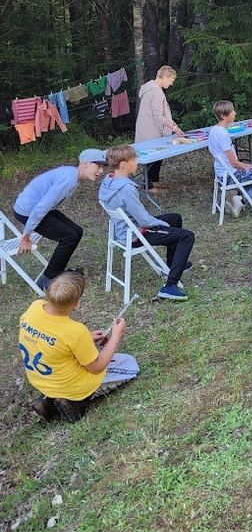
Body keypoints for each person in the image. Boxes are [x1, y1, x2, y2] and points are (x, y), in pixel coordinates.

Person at [18, 271, 138, 423]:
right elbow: (97, 367)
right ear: (77, 302)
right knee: (131, 365)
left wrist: (86, 339)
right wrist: (116, 336)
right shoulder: (75, 330)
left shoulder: (35, 307)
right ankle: (74, 402)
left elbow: (52, 340)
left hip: (41, 379)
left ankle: (48, 398)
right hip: (70, 385)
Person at [99, 145, 195, 301]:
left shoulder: (108, 181)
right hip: (136, 235)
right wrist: (160, 224)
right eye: (134, 159)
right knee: (187, 237)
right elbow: (144, 220)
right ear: (124, 164)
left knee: (175, 218)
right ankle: (170, 286)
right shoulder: (126, 188)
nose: (137, 162)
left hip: (123, 229)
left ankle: (172, 264)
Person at [13, 149, 109, 291]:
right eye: (99, 166)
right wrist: (26, 236)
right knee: (69, 237)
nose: (101, 171)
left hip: (41, 209)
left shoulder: (72, 174)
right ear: (86, 164)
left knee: (77, 231)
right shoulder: (68, 179)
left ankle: (55, 273)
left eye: (102, 167)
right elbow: (40, 209)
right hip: (27, 212)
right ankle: (46, 281)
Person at [208, 100, 252, 217]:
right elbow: (234, 163)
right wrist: (247, 166)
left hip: (221, 173)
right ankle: (241, 201)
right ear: (223, 115)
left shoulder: (214, 130)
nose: (235, 113)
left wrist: (247, 167)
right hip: (229, 176)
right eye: (232, 111)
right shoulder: (223, 134)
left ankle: (235, 197)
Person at [134, 65, 184, 192]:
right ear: (165, 77)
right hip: (150, 131)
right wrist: (173, 128)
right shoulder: (156, 91)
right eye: (171, 80)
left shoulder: (151, 89)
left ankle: (153, 182)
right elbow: (157, 115)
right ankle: (148, 186)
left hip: (149, 129)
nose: (171, 84)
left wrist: (175, 126)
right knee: (153, 157)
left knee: (158, 157)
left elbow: (162, 113)